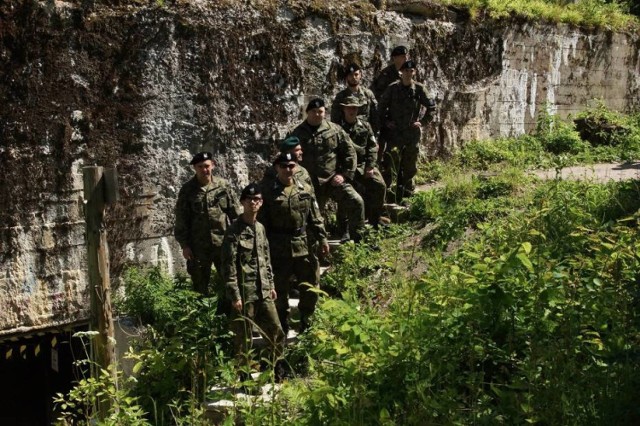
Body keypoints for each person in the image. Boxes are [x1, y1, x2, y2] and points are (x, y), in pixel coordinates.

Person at [259, 152, 330, 334]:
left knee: (310, 286)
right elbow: (261, 223)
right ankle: (282, 323)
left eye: (291, 165)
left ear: (296, 167)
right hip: (278, 248)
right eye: (283, 166)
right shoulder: (266, 191)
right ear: (276, 168)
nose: (288, 169)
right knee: (279, 289)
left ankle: (307, 320)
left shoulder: (305, 189)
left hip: (303, 246)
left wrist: (322, 238)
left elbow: (315, 216)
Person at [220, 183, 285, 380]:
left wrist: (271, 284)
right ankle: (244, 376)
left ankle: (276, 369)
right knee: (243, 337)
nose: (253, 203)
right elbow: (228, 265)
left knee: (276, 330)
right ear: (242, 202)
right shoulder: (233, 231)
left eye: (257, 199)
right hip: (244, 292)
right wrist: (234, 295)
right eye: (249, 200)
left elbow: (266, 258)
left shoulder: (260, 228)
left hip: (263, 290)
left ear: (262, 202)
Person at [289, 98, 366, 242]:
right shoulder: (297, 133)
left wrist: (344, 175)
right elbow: (288, 158)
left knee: (356, 201)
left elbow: (350, 152)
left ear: (325, 112)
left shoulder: (335, 130)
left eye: (320, 111)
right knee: (309, 220)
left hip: (332, 180)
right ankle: (315, 252)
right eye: (313, 111)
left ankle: (359, 243)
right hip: (309, 184)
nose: (317, 114)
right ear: (307, 113)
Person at [174, 152, 241, 298]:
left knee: (229, 282)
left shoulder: (223, 186)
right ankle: (202, 317)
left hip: (222, 244)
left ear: (213, 165)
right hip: (198, 247)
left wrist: (238, 239)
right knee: (199, 285)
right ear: (195, 168)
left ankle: (229, 315)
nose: (205, 170)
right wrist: (184, 245)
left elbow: (235, 215)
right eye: (200, 167)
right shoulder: (187, 190)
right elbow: (181, 220)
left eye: (207, 166)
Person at [378, 60, 436, 199]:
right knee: (391, 164)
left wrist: (422, 122)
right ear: (401, 73)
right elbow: (380, 107)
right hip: (395, 134)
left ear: (414, 72)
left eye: (411, 71)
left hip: (411, 134)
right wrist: (386, 122)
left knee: (409, 166)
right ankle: (390, 196)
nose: (408, 74)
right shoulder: (392, 88)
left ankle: (407, 195)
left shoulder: (419, 89)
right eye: (405, 71)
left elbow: (431, 107)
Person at [338, 94, 387, 228]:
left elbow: (372, 146)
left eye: (354, 108)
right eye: (349, 108)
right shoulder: (337, 129)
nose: (352, 111)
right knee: (347, 193)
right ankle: (345, 228)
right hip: (346, 168)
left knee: (380, 185)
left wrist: (370, 166)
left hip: (363, 165)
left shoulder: (365, 126)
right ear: (344, 109)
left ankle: (374, 220)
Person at [330, 63, 378, 131]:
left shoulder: (368, 94)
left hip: (365, 133)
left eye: (356, 74)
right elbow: (334, 119)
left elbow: (375, 116)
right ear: (346, 77)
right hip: (347, 134)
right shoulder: (341, 97)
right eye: (350, 75)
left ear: (360, 75)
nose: (354, 77)